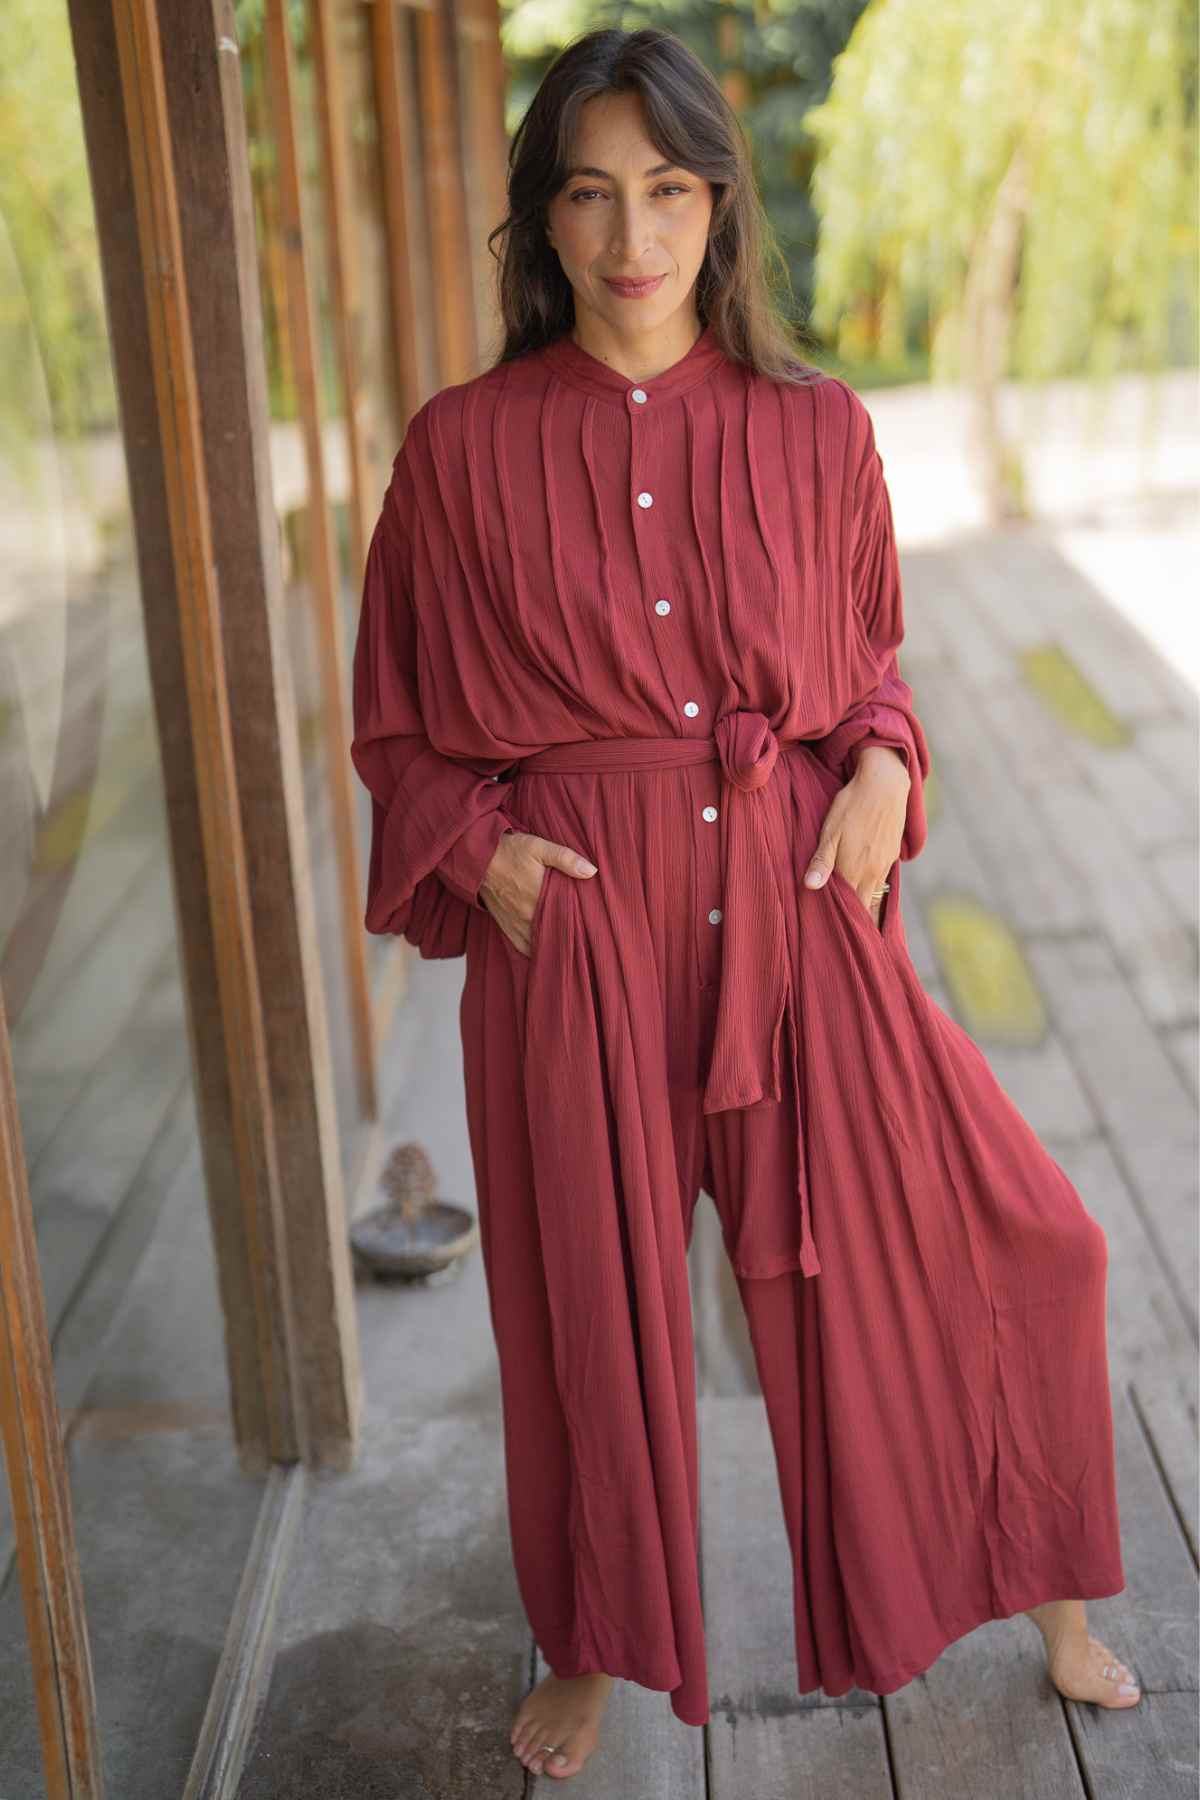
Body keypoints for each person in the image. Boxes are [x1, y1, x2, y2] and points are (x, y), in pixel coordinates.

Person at [350, 25, 1138, 1783]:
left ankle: (1052, 1593)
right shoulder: (459, 453)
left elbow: (876, 678)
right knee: (587, 1321)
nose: (635, 238)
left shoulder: (821, 429)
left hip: (799, 917)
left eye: (671, 193)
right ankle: (595, 1643)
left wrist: (878, 768)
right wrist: (482, 855)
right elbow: (396, 730)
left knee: (1004, 1243)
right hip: (588, 938)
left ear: (721, 210)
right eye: (592, 196)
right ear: (541, 226)